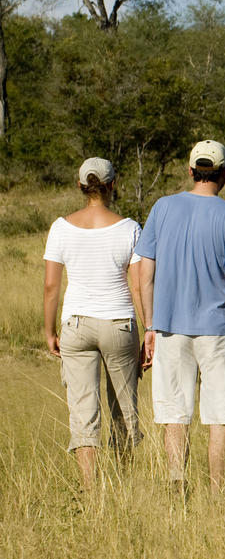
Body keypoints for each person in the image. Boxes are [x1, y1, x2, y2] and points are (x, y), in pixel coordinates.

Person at [135, 140, 225, 497]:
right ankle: (217, 493)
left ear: (190, 170)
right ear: (223, 174)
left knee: (175, 413)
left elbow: (144, 274)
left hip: (169, 328)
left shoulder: (162, 208)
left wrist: (150, 325)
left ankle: (177, 484)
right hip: (218, 332)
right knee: (220, 415)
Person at [42, 158, 144, 490]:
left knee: (83, 411)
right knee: (124, 408)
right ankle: (124, 485)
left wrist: (49, 331)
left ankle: (89, 491)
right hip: (118, 322)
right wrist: (151, 329)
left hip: (76, 323)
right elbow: (139, 285)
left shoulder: (60, 227)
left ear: (81, 186)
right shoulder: (129, 228)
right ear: (113, 185)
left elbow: (51, 287)